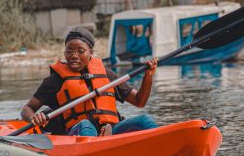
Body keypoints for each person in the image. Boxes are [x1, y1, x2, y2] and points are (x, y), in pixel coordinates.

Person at [21, 27, 158, 136]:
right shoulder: (55, 80)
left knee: (144, 120)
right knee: (85, 125)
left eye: (80, 51)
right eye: (69, 51)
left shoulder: (107, 75)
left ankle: (164, 145)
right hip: (77, 133)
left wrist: (148, 77)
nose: (74, 56)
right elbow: (27, 109)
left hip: (113, 129)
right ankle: (98, 147)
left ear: (90, 53)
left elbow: (139, 101)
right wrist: (35, 118)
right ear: (64, 53)